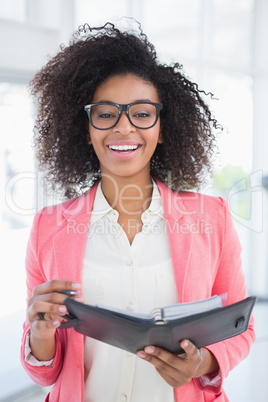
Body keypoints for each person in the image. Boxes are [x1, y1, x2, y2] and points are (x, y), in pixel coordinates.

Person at [20, 21, 255, 402]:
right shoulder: (49, 228)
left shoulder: (211, 218)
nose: (124, 128)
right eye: (106, 113)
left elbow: (241, 329)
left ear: (162, 128)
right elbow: (44, 371)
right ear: (87, 128)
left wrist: (202, 363)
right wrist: (40, 334)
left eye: (142, 114)